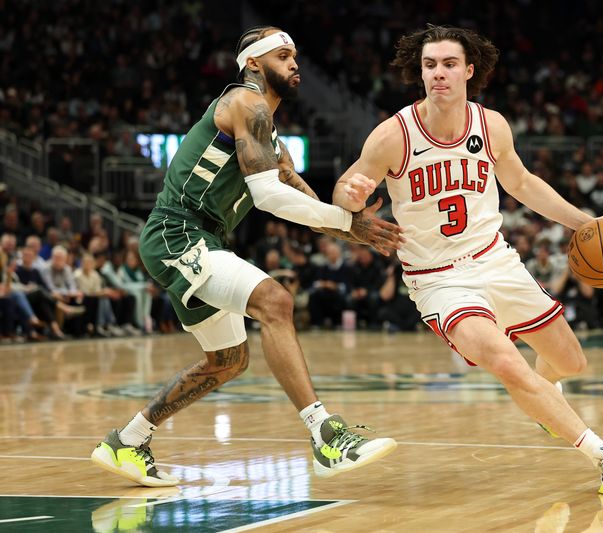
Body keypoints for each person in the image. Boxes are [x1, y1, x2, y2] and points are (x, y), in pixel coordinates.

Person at [91, 26, 402, 487]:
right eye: (282, 54)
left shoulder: (271, 140)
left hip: (201, 239)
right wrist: (344, 223)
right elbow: (268, 196)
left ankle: (129, 441)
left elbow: (308, 207)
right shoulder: (246, 102)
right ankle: (326, 438)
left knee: (229, 361)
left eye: (296, 54)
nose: (295, 62)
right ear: (254, 63)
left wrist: (358, 228)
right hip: (178, 232)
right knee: (275, 302)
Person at [333, 25, 603, 495]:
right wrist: (349, 194)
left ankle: (545, 402)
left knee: (570, 362)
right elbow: (347, 187)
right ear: (421, 72)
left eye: (449, 64)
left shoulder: (490, 125)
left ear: (468, 71)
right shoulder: (393, 135)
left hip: (496, 260)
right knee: (507, 362)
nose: (439, 74)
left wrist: (583, 222)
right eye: (430, 65)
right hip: (438, 279)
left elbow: (522, 182)